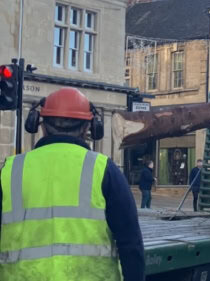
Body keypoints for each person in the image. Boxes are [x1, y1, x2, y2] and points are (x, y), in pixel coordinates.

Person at [0, 87, 144, 280]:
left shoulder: (10, 170)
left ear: (41, 125)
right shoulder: (104, 170)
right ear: (89, 128)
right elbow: (131, 243)